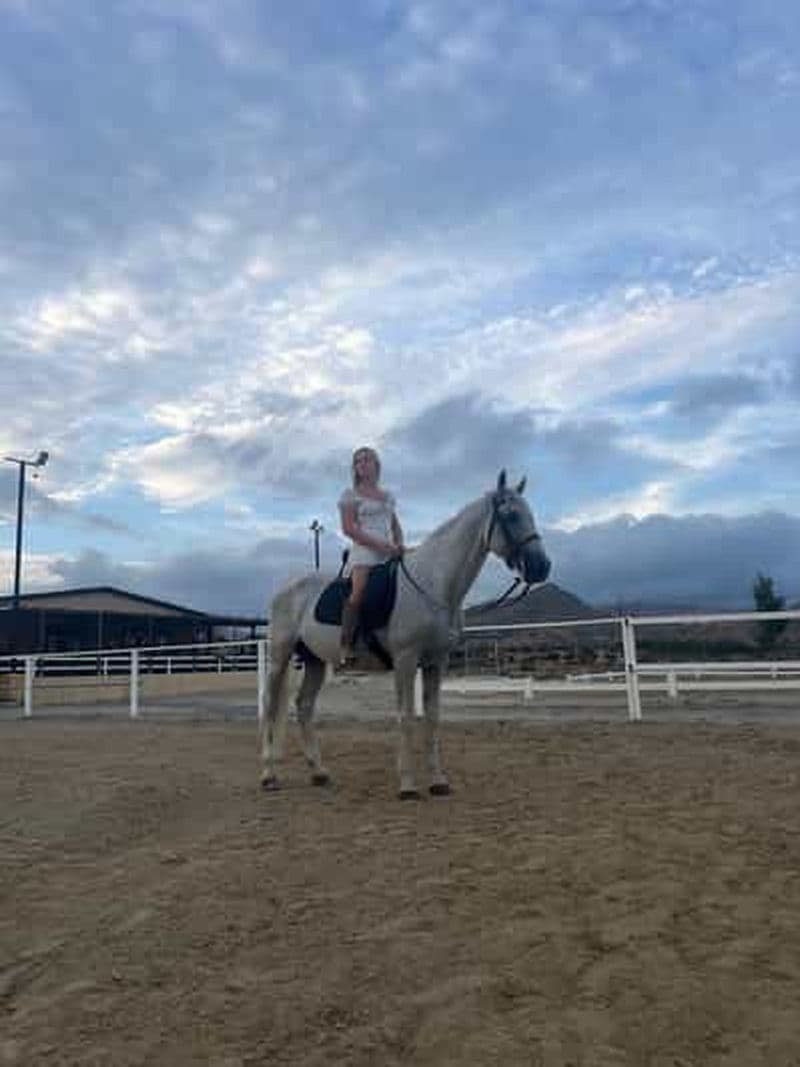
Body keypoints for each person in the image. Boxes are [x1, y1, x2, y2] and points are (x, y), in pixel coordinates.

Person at [338, 446, 405, 664]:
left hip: (389, 547)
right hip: (364, 549)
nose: (363, 464)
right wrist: (381, 546)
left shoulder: (387, 496)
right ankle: (346, 644)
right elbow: (349, 528)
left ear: (376, 464)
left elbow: (395, 525)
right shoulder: (350, 495)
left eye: (367, 459)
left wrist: (399, 545)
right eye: (358, 461)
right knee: (359, 592)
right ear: (355, 468)